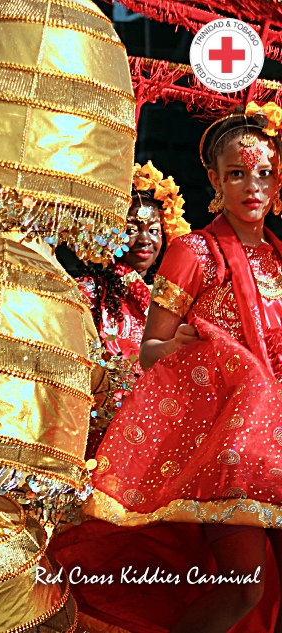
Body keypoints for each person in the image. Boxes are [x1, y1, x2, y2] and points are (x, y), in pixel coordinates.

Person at [82, 102, 282, 633]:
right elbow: (150, 349)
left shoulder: (281, 258)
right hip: (228, 451)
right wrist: (205, 352)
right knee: (244, 586)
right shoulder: (195, 252)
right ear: (215, 180)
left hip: (279, 443)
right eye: (238, 173)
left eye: (264, 172)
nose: (252, 186)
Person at [76, 162, 189, 459]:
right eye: (131, 230)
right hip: (98, 434)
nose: (145, 240)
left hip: (158, 430)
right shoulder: (87, 292)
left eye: (153, 230)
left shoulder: (174, 299)